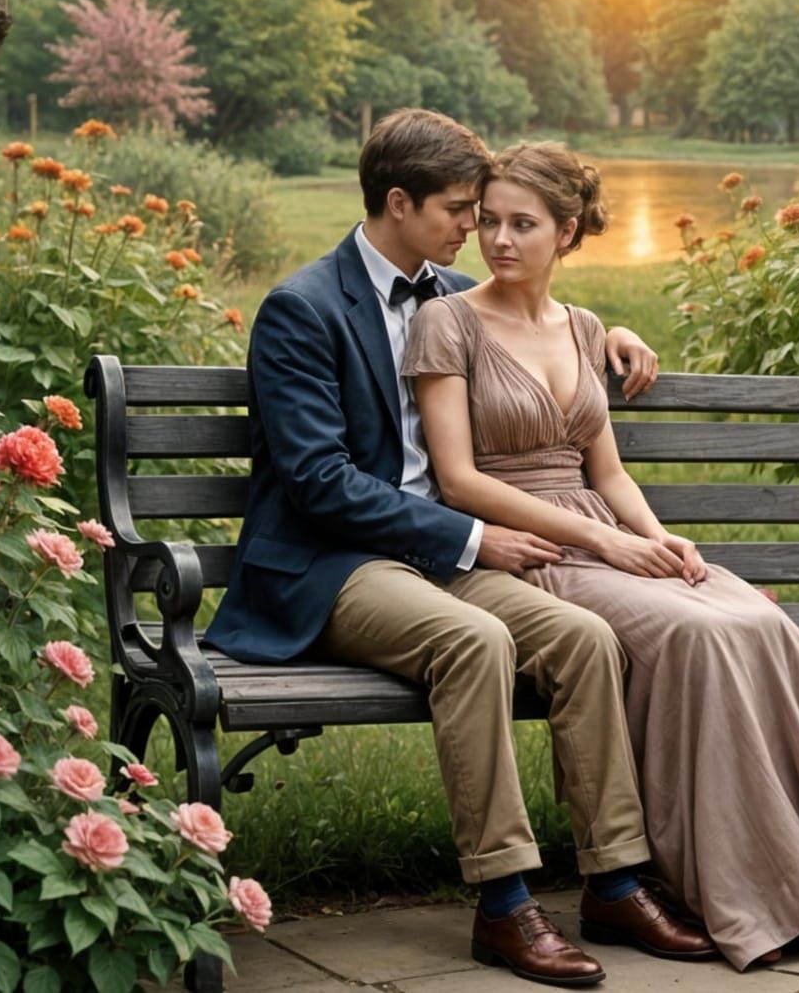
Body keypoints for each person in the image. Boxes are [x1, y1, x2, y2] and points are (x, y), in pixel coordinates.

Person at [402, 139, 799, 976]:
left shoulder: (584, 327)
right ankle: (779, 893)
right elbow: (455, 480)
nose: (497, 240)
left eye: (522, 224)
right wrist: (602, 541)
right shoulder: (445, 322)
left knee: (759, 624)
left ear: (567, 232)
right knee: (697, 636)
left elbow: (607, 472)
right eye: (487, 221)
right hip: (524, 550)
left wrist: (656, 536)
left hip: (605, 531)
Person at [204, 110, 717, 988]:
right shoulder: (302, 308)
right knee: (471, 641)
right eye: (458, 209)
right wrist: (470, 534)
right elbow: (319, 482)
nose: (476, 228)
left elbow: (530, 319)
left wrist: (612, 333)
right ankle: (505, 901)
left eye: (483, 212)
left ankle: (615, 879)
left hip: (440, 556)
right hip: (333, 565)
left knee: (582, 639)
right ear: (397, 203)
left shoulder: (445, 293)